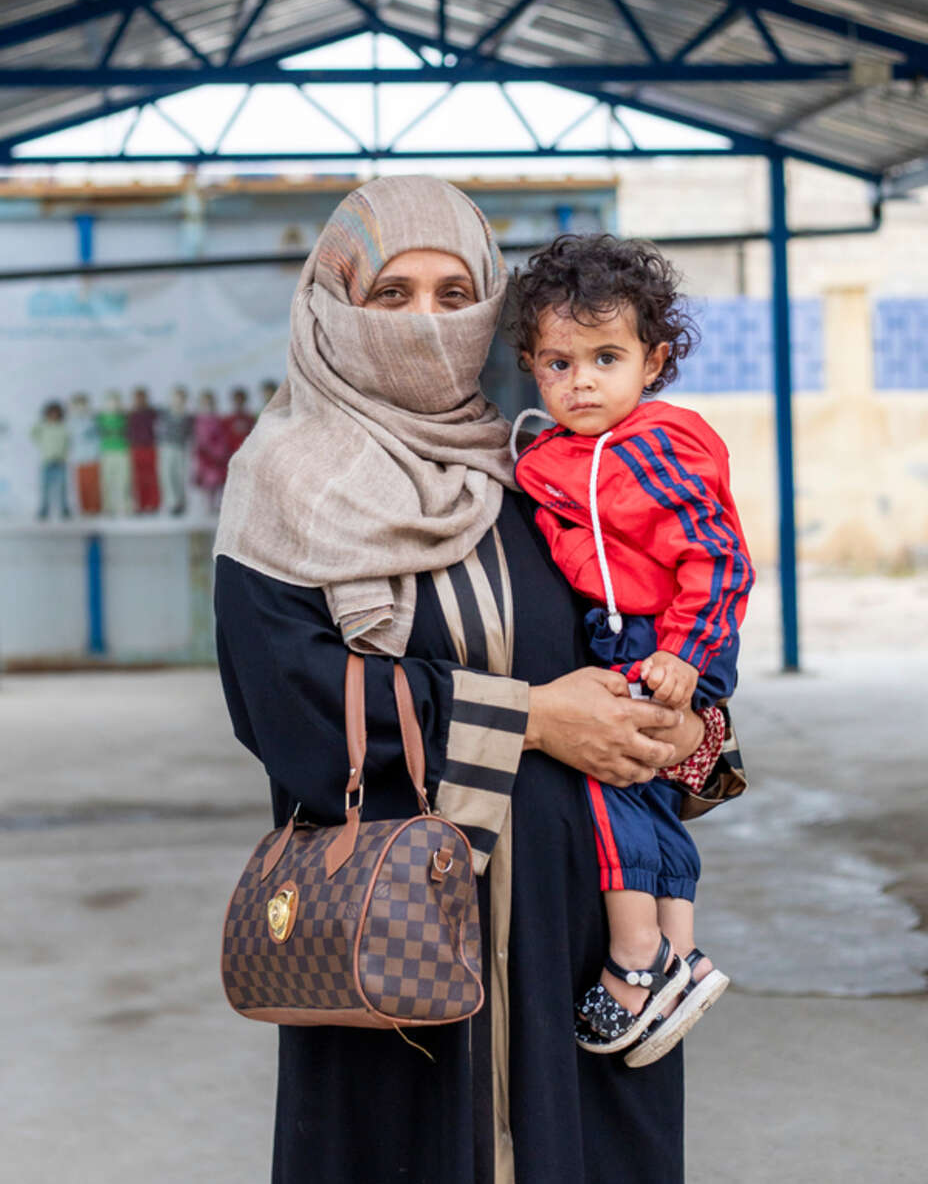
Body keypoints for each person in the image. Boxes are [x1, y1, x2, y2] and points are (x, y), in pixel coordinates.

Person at [213, 176, 743, 1184]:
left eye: (456, 295)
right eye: (392, 294)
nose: (426, 321)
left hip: (580, 938)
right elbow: (287, 706)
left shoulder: (545, 468)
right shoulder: (283, 487)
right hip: (393, 943)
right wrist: (532, 718)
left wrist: (691, 728)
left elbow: (661, 622)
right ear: (332, 304)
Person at [512, 235, 754, 1064]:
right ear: (531, 366)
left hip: (667, 639)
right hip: (632, 638)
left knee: (611, 779)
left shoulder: (653, 446)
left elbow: (719, 557)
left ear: (652, 363)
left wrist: (687, 656)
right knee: (647, 797)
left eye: (605, 357)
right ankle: (680, 954)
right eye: (558, 362)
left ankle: (634, 960)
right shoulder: (554, 456)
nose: (581, 380)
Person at [157, 385, 192, 516]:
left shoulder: (186, 416)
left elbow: (188, 433)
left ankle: (181, 502)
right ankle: (171, 502)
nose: (176, 400)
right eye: (174, 397)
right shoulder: (164, 412)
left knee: (179, 475)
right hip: (166, 447)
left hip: (180, 448)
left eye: (179, 398)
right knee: (167, 474)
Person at [31, 400, 70, 519]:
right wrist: (41, 421)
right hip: (47, 461)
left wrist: (64, 455)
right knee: (44, 488)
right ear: (46, 414)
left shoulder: (63, 427)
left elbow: (67, 442)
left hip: (60, 461)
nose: (53, 415)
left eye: (56, 413)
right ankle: (44, 509)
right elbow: (33, 433)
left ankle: (64, 510)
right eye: (51, 413)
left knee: (62, 488)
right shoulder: (43, 427)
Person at [97, 391, 132, 517]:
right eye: (110, 402)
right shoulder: (100, 418)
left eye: (116, 402)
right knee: (107, 481)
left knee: (124, 480)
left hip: (122, 452)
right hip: (106, 453)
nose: (113, 405)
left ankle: (126, 506)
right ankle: (108, 507)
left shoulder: (125, 417)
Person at [192, 390, 228, 513]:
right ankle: (207, 504)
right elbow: (198, 438)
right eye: (204, 403)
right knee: (207, 481)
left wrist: (220, 451)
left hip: (217, 455)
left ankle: (217, 503)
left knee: (217, 480)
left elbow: (222, 436)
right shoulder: (198, 420)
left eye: (210, 403)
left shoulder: (218, 419)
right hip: (204, 456)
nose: (207, 405)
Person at [127, 386, 160, 513]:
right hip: (136, 448)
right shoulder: (131, 414)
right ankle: (140, 504)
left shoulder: (152, 413)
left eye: (142, 397)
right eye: (137, 398)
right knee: (138, 478)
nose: (139, 400)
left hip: (149, 448)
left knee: (151, 477)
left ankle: (152, 504)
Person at [68, 392, 101, 515]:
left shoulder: (93, 419)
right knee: (82, 486)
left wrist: (97, 453)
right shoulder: (70, 422)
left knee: (94, 485)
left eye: (83, 403)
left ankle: (96, 508)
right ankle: (85, 509)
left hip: (93, 457)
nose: (80, 407)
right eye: (77, 404)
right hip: (79, 458)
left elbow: (97, 437)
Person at [223, 387, 256, 457]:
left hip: (248, 453)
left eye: (241, 400)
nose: (239, 402)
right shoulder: (227, 419)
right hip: (231, 454)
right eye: (237, 400)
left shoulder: (250, 418)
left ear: (245, 400)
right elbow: (225, 438)